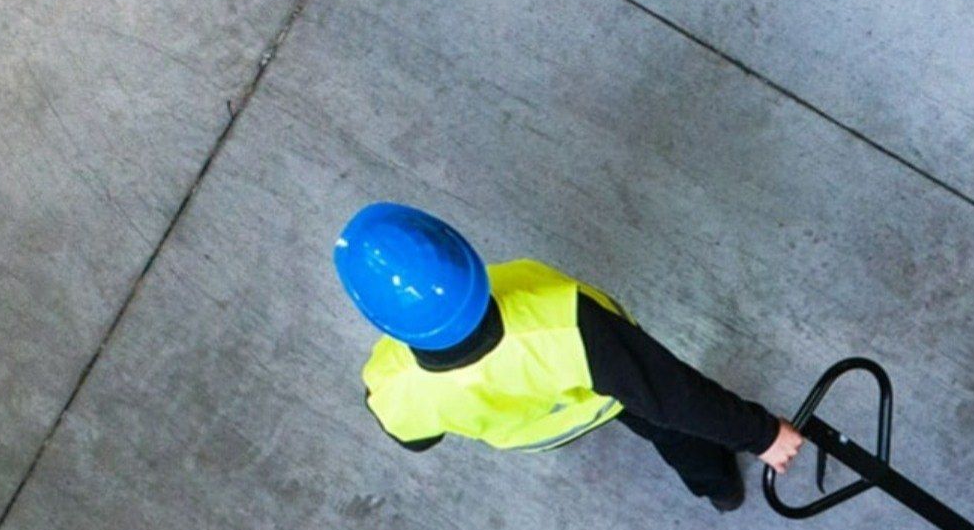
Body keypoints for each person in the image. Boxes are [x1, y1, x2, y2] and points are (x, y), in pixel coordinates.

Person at [334, 203, 803, 509]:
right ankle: (719, 485)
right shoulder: (566, 326)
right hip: (605, 395)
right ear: (465, 260)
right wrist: (760, 435)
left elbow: (416, 439)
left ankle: (719, 493)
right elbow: (672, 395)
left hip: (541, 431)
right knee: (671, 429)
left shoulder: (390, 386)